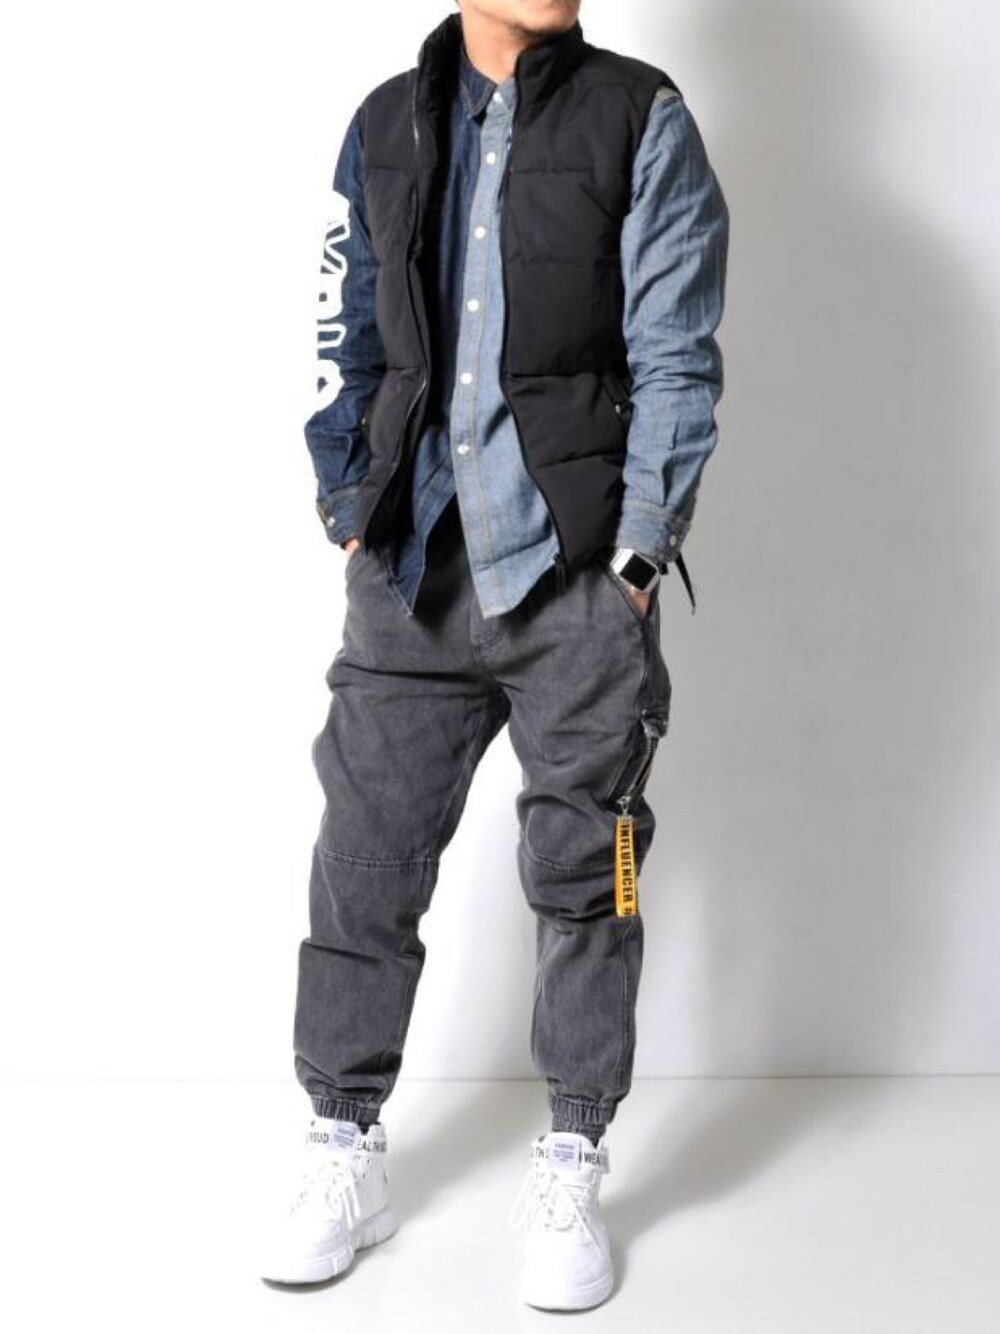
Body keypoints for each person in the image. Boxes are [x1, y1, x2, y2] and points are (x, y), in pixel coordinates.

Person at [258, 0, 728, 1311]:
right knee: (362, 868)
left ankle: (573, 1155)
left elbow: (678, 354)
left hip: (575, 581)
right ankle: (343, 1143)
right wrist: (346, 500)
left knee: (590, 881)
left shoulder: (642, 116)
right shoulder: (384, 124)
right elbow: (344, 332)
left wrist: (636, 560)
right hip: (410, 578)